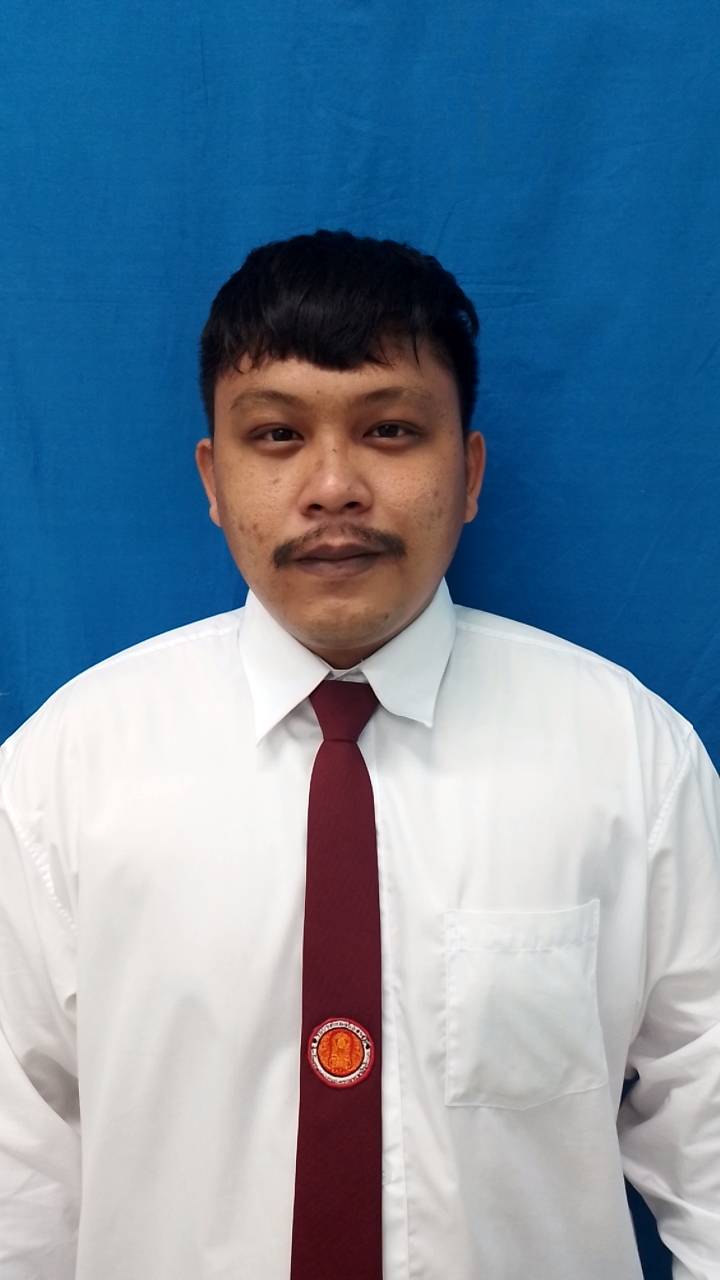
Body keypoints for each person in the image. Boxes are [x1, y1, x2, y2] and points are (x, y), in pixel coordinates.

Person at [0, 228, 718, 1280]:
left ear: (468, 470)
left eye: (389, 429)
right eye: (276, 434)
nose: (333, 485)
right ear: (212, 476)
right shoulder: (64, 775)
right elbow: (18, 1172)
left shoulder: (629, 760)